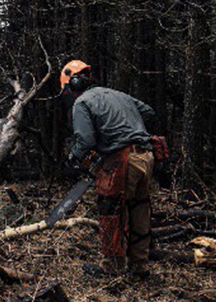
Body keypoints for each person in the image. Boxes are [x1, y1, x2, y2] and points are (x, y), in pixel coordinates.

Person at [61, 59, 158, 278]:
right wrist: (129, 130)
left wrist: (73, 157)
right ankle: (139, 265)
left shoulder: (82, 102)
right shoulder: (118, 95)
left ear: (73, 83)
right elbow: (149, 112)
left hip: (123, 160)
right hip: (145, 156)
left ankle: (112, 268)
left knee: (110, 211)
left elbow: (85, 140)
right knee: (139, 208)